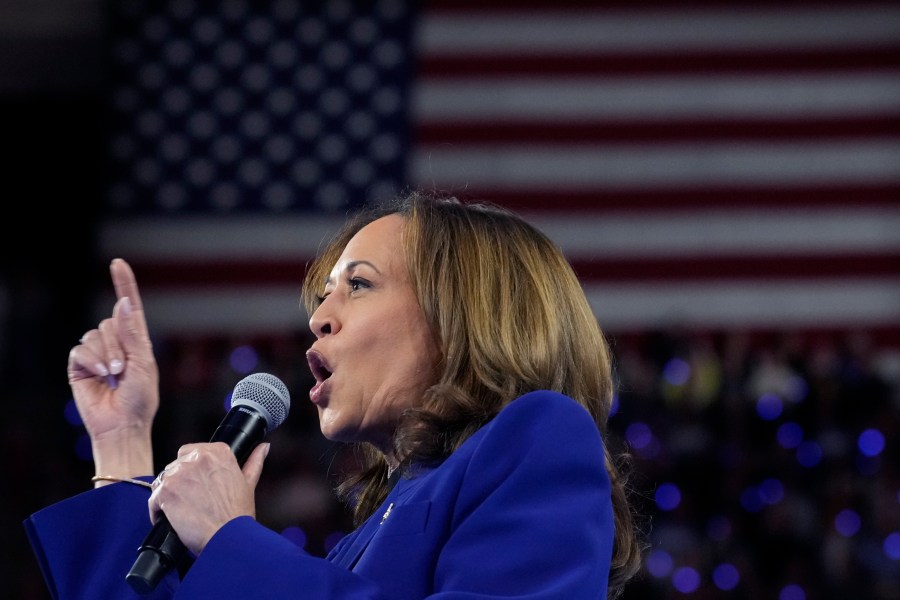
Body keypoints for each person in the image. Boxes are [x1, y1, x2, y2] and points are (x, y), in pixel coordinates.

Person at [25, 191, 643, 599]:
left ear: (465, 314)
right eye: (324, 294)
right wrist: (123, 443)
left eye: (360, 285)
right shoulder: (362, 538)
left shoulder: (541, 433)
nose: (320, 317)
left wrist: (230, 540)